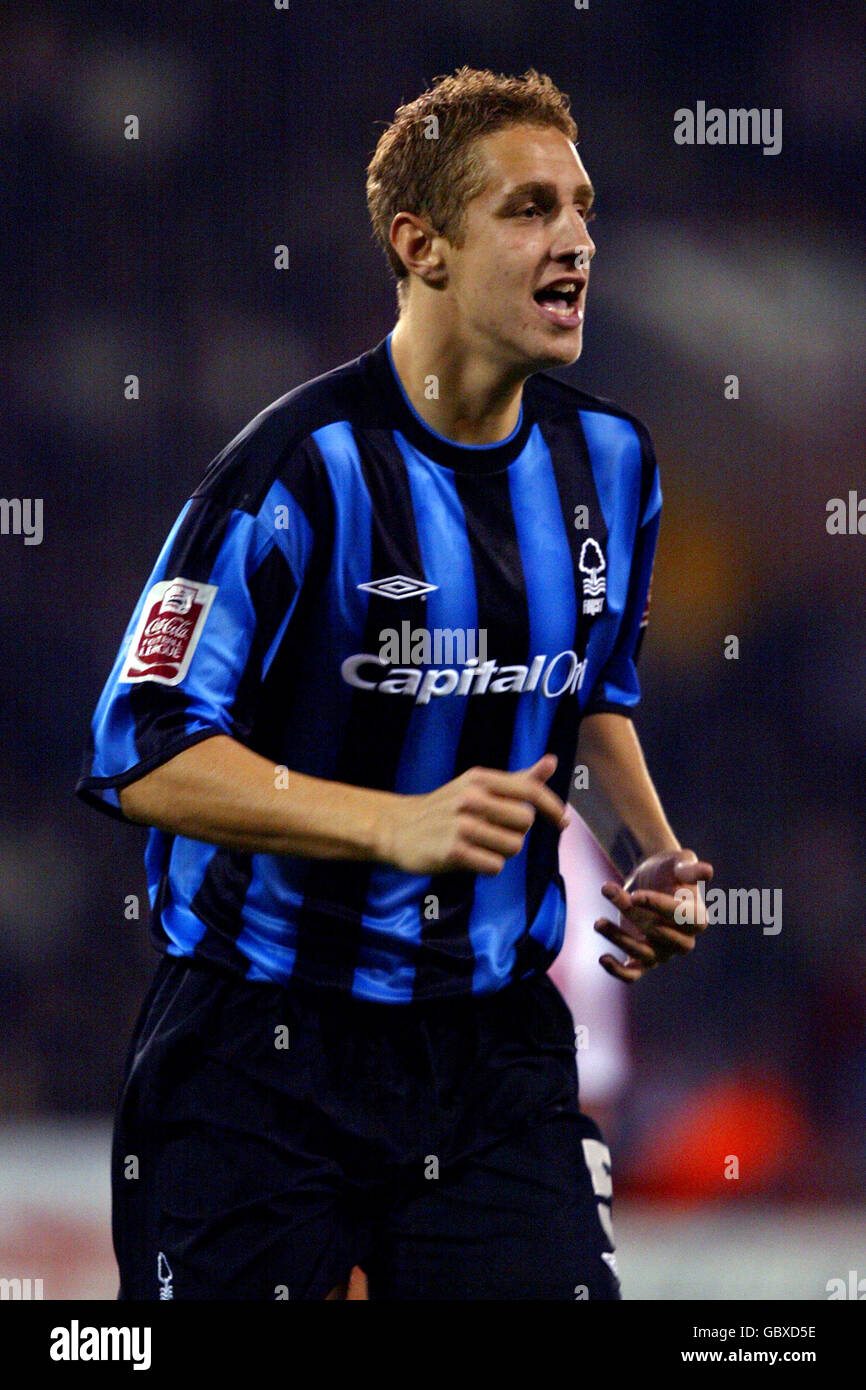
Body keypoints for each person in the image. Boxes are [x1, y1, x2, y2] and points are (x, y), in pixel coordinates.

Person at [77, 66, 712, 1301]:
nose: (575, 238)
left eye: (582, 206)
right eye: (529, 208)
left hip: (493, 1051)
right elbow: (138, 744)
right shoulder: (290, 475)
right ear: (419, 245)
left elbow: (584, 691)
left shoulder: (612, 462)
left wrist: (650, 849)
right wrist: (392, 822)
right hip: (260, 1048)